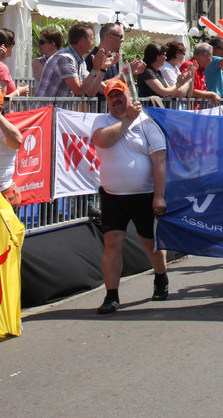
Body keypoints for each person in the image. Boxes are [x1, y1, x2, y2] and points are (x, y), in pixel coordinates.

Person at [92, 80, 169, 314]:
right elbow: (102, 140)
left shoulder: (147, 124)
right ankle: (111, 296)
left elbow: (159, 160)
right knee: (112, 243)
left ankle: (161, 276)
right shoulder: (101, 121)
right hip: (112, 196)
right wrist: (127, 120)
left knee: (150, 244)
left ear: (129, 95)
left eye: (120, 95)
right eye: (111, 96)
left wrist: (159, 196)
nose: (116, 100)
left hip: (144, 195)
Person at [35, 22, 112, 98]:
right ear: (82, 41)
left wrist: (100, 69)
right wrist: (94, 70)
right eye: (91, 39)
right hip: (47, 106)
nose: (92, 43)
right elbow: (78, 91)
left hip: (57, 106)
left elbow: (91, 92)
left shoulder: (80, 60)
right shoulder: (65, 58)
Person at [0, 28, 28, 97]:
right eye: (13, 43)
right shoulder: (1, 67)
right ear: (7, 45)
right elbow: (1, 97)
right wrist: (19, 92)